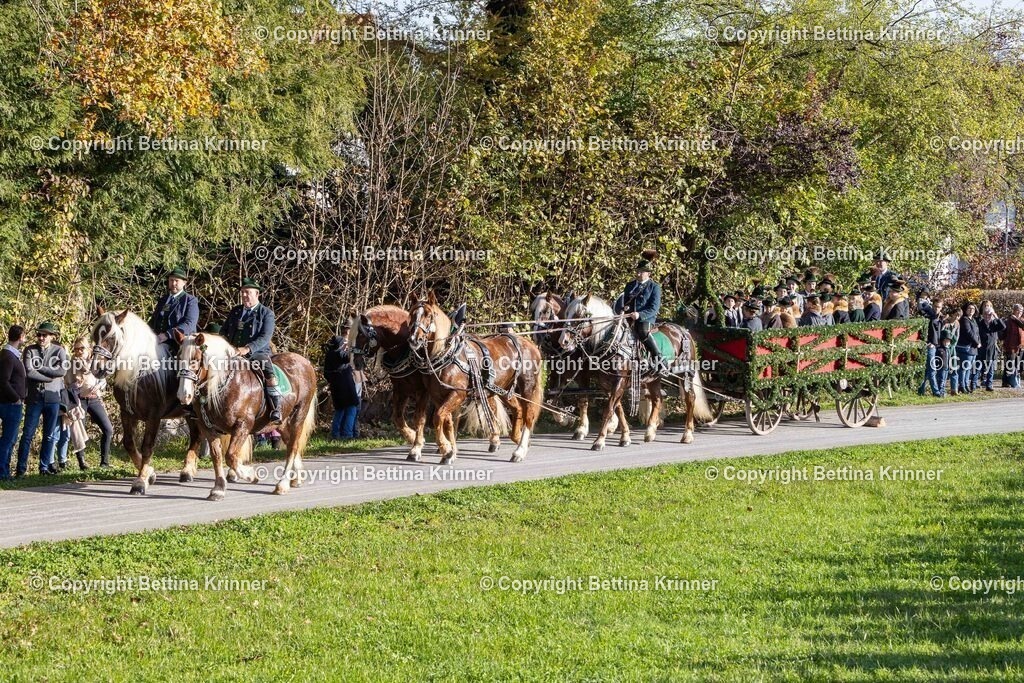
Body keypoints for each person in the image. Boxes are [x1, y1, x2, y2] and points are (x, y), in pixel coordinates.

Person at [222, 277, 282, 422]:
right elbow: (223, 332)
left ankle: (276, 408)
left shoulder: (266, 313)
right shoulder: (235, 311)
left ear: (257, 294)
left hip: (257, 353)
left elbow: (265, 337)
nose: (244, 295)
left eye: (247, 292)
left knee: (269, 373)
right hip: (233, 352)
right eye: (242, 292)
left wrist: (247, 349)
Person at [16, 322, 68, 476]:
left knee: (50, 435)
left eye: (44, 335)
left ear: (52, 336)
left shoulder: (59, 351)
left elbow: (62, 371)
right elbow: (29, 371)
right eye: (38, 334)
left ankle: (44, 467)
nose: (41, 338)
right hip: (35, 398)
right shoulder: (29, 350)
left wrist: (42, 368)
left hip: (52, 398)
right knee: (27, 434)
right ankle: (21, 469)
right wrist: (49, 377)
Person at [613, 250, 665, 375]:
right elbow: (625, 302)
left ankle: (659, 359)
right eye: (637, 271)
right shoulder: (630, 285)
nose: (638, 273)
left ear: (648, 273)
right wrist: (622, 311)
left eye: (641, 271)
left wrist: (639, 315)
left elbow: (654, 308)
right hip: (627, 317)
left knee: (642, 332)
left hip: (645, 319)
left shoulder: (654, 287)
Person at [65, 337, 113, 469]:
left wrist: (100, 386)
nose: (79, 352)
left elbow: (103, 379)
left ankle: (105, 463)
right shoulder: (72, 364)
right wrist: (77, 387)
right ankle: (82, 463)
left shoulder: (95, 362)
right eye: (76, 349)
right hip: (79, 400)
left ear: (89, 349)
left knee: (108, 429)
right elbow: (67, 384)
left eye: (81, 348)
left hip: (94, 399)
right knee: (79, 431)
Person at [0, 326, 27, 480]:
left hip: (11, 403)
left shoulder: (11, 354)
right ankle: (2, 472)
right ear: (21, 336)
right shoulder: (8, 356)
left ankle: (6, 470)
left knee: (10, 439)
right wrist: (16, 398)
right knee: (8, 439)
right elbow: (3, 381)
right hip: (10, 404)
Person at [149, 267, 199, 349]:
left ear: (184, 283)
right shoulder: (163, 300)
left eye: (176, 281)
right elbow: (154, 320)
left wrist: (168, 334)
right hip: (158, 340)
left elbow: (189, 323)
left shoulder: (190, 300)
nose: (173, 283)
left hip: (181, 343)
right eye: (171, 280)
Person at [324, 332, 359, 440]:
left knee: (339, 411)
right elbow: (352, 355)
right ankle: (347, 434)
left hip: (335, 387)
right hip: (347, 387)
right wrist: (351, 347)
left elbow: (325, 373)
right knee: (351, 410)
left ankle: (335, 434)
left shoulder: (329, 354)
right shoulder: (340, 354)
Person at [917, 297, 945, 397]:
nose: (937, 308)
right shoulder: (928, 315)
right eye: (935, 306)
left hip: (935, 345)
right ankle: (935, 391)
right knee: (931, 369)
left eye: (939, 307)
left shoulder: (940, 317)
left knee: (928, 369)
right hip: (929, 344)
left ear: (941, 308)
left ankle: (921, 389)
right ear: (932, 306)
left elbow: (939, 332)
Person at [977, 300, 1006, 392]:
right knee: (978, 366)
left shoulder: (994, 323)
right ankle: (975, 383)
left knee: (991, 368)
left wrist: (995, 316)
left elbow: (1003, 327)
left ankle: (989, 384)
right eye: (986, 314)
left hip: (992, 348)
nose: (987, 316)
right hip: (981, 348)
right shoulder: (980, 322)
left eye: (989, 314)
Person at [956, 303, 981, 394]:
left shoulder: (973, 320)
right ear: (965, 309)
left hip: (973, 348)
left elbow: (977, 333)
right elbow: (968, 332)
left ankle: (966, 385)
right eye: (969, 308)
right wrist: (976, 342)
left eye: (973, 309)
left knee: (968, 368)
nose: (971, 310)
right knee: (964, 368)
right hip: (966, 347)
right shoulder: (964, 320)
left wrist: (979, 342)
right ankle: (961, 385)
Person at [1002, 303, 1024, 388]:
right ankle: (1005, 382)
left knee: (1019, 365)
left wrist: (1016, 320)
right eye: (1017, 310)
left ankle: (1013, 380)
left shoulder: (1021, 320)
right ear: (1014, 311)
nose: (1019, 312)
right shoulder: (1009, 321)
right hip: (1011, 346)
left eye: (1021, 311)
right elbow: (1004, 333)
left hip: (1021, 346)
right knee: (1009, 364)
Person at [943, 309, 962, 395]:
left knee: (954, 368)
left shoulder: (957, 324)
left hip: (952, 347)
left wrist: (953, 342)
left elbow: (957, 337)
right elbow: (942, 333)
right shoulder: (945, 322)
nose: (957, 317)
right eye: (955, 315)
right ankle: (942, 389)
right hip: (945, 347)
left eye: (959, 316)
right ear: (952, 314)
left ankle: (954, 389)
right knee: (944, 369)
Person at [935, 329, 952, 398]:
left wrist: (950, 367)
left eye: (948, 341)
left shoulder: (948, 350)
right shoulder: (939, 349)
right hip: (941, 367)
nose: (947, 343)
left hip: (946, 367)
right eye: (945, 341)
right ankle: (940, 391)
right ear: (942, 341)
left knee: (944, 380)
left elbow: (949, 359)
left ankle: (943, 390)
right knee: (941, 380)